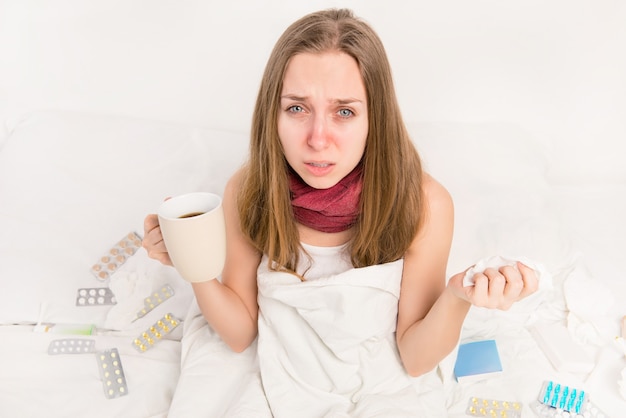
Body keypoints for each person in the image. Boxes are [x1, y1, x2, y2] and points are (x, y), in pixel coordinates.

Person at [143, 8, 538, 380]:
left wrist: (456, 296)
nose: (318, 139)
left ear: (374, 118)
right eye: (297, 109)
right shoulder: (248, 189)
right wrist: (192, 264)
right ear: (273, 114)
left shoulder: (425, 204)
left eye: (344, 112)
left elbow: (416, 360)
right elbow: (240, 334)